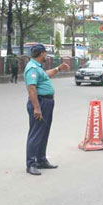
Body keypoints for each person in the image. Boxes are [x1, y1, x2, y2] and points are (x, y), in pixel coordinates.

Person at [25, 44, 71, 175]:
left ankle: (41, 159)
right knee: (36, 133)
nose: (46, 55)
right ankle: (31, 163)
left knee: (44, 132)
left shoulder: (38, 67)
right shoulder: (32, 68)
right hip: (40, 103)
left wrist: (58, 68)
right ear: (41, 54)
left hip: (47, 102)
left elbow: (45, 75)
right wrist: (37, 108)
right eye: (45, 53)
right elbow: (32, 88)